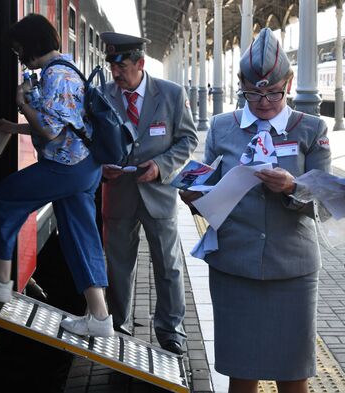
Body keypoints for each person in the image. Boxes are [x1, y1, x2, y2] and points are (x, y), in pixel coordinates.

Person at [181, 28, 331, 392]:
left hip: (291, 269)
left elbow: (325, 201)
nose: (263, 101)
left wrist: (292, 187)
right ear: (241, 84)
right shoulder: (222, 127)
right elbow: (206, 184)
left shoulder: (311, 128)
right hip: (235, 265)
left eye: (273, 92)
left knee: (293, 373)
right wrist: (193, 197)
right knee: (240, 370)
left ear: (289, 83)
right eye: (253, 92)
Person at [0, 14, 114, 337]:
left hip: (66, 167)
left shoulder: (56, 76)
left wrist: (21, 102)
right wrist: (15, 127)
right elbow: (64, 126)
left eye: (19, 47)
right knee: (81, 237)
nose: (18, 54)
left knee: (1, 199)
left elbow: (50, 131)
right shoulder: (67, 68)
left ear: (32, 43)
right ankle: (99, 316)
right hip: (82, 165)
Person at [100, 32, 198, 355]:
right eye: (111, 66)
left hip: (159, 194)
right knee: (117, 265)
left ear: (140, 63)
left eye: (122, 66)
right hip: (119, 194)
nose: (115, 73)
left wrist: (160, 165)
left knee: (168, 266)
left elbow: (188, 140)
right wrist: (102, 166)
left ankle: (171, 331)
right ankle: (117, 323)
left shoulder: (170, 95)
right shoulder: (102, 96)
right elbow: (91, 142)